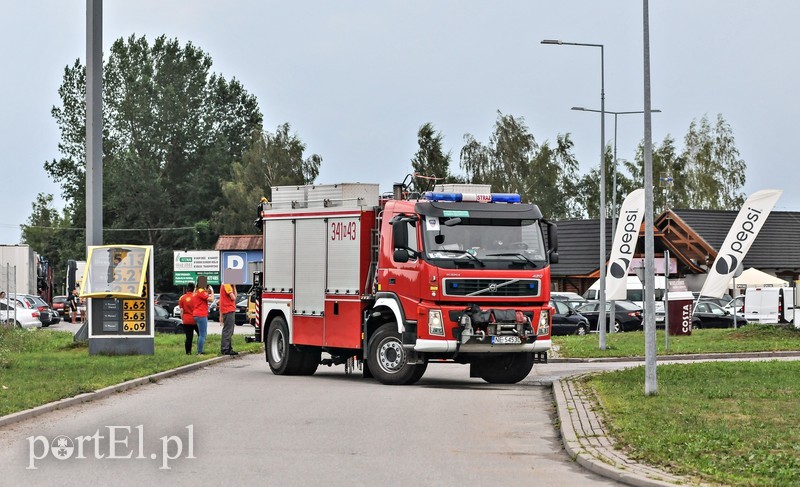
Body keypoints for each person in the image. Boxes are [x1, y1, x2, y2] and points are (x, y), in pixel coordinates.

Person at [191, 282, 214, 355]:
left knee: (201, 334)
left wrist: (207, 291)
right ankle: (199, 352)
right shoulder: (201, 291)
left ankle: (199, 350)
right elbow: (211, 299)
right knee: (202, 334)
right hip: (201, 314)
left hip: (196, 314)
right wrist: (212, 291)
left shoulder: (196, 291)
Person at [218, 282, 238, 356]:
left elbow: (235, 296)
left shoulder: (229, 285)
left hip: (229, 309)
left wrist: (234, 286)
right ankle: (225, 349)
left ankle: (228, 348)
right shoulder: (226, 285)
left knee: (230, 330)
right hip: (228, 310)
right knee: (228, 330)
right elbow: (233, 297)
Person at [179, 283, 198, 355]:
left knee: (189, 337)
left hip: (186, 320)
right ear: (194, 289)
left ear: (187, 289)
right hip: (196, 319)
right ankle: (199, 350)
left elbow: (181, 311)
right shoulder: (196, 297)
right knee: (201, 335)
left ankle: (188, 352)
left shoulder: (182, 297)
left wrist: (183, 319)